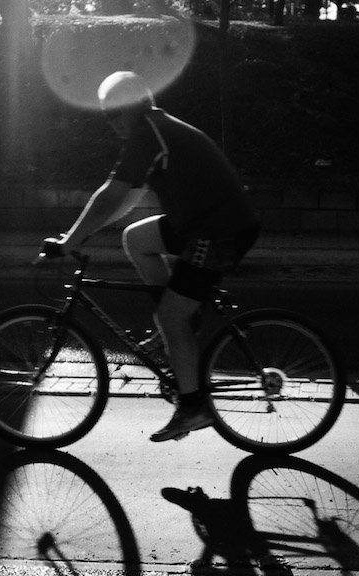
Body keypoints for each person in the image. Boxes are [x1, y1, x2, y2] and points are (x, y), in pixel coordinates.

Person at [39, 71, 260, 443]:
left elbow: (111, 196)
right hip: (199, 222)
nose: (109, 123)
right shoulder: (153, 130)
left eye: (113, 114)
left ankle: (193, 407)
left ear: (133, 108)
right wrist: (82, 234)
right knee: (136, 238)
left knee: (173, 314)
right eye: (105, 116)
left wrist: (68, 240)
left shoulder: (149, 133)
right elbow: (127, 198)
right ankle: (174, 331)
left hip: (219, 229)